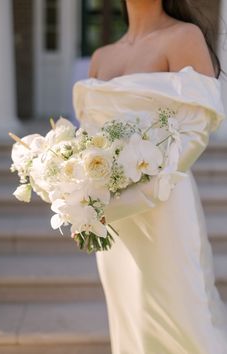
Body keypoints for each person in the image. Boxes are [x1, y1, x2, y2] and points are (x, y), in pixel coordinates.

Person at [72, 0, 227, 352]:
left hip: (165, 207)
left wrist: (134, 196)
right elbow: (88, 144)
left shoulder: (183, 37)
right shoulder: (101, 57)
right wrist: (80, 198)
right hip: (113, 223)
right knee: (130, 319)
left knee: (186, 318)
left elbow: (194, 132)